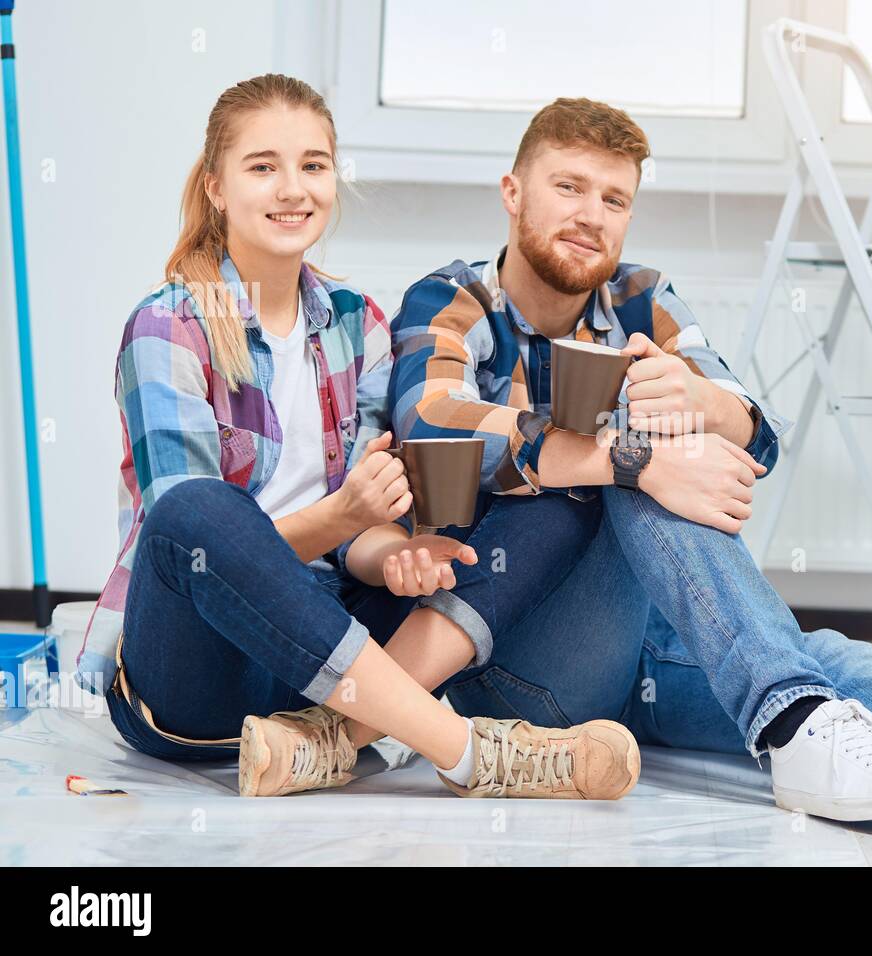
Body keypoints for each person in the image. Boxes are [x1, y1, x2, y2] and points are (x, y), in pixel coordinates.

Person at [272, 95, 872, 855]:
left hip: (634, 648)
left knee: (835, 664)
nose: (591, 216)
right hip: (510, 654)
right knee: (648, 465)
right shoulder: (453, 297)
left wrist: (694, 394)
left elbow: (753, 428)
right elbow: (431, 418)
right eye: (569, 188)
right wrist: (638, 455)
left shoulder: (638, 295)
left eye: (614, 198)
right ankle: (794, 716)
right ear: (513, 192)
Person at [75, 76, 639, 803]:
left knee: (552, 485)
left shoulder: (356, 322)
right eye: (262, 166)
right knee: (198, 512)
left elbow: (359, 535)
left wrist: (394, 554)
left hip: (321, 664)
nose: (293, 188)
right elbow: (203, 556)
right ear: (216, 186)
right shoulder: (168, 327)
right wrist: (344, 517)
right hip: (197, 677)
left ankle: (325, 741)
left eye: (313, 165)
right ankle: (472, 752)